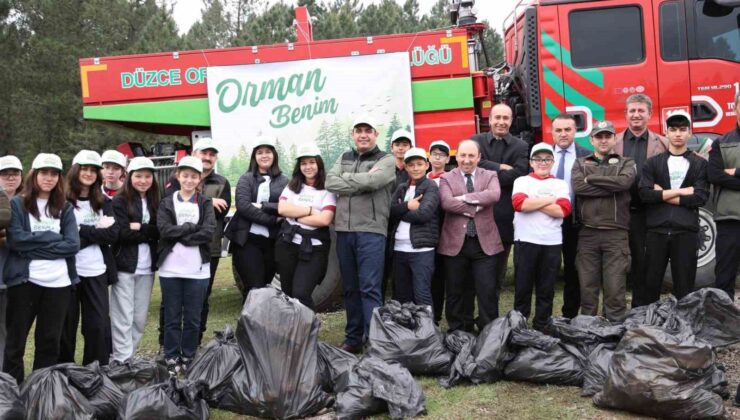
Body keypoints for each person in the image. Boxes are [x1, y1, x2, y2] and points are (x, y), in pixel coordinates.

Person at [3, 153, 79, 383]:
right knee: (15, 343)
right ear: (34, 175)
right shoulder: (18, 203)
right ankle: (10, 394)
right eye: (44, 173)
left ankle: (39, 391)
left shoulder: (64, 207)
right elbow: (16, 241)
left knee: (49, 343)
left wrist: (33, 243)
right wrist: (52, 237)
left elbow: (72, 245)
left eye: (54, 173)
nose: (49, 178)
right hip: (26, 282)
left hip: (59, 284)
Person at [326, 115, 395, 354]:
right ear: (353, 135)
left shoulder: (386, 159)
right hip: (344, 231)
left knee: (370, 288)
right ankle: (353, 338)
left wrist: (348, 180)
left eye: (368, 130)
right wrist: (360, 181)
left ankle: (375, 341)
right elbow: (330, 182)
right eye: (359, 131)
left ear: (376, 134)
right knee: (351, 289)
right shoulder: (344, 157)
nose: (363, 135)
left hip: (371, 231)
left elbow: (376, 180)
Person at [161, 137, 231, 344]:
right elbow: (170, 211)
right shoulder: (176, 179)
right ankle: (164, 344)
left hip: (208, 248)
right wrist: (210, 201)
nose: (208, 158)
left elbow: (222, 211)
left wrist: (205, 204)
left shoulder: (222, 182)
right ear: (194, 154)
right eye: (204, 153)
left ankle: (195, 341)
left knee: (201, 299)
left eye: (212, 154)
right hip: (173, 250)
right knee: (170, 301)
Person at [637, 111, 708, 305]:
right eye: (673, 129)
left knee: (685, 289)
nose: (678, 134)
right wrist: (684, 191)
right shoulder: (652, 163)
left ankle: (683, 327)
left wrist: (663, 194)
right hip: (656, 231)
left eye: (683, 130)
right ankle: (650, 328)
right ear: (666, 132)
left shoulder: (699, 164)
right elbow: (645, 194)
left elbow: (700, 197)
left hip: (686, 232)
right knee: (650, 286)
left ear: (689, 133)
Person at [572, 121, 636, 322]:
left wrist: (591, 179)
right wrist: (611, 185)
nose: (603, 140)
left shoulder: (627, 162)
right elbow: (578, 188)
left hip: (616, 234)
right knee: (587, 289)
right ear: (591, 140)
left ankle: (615, 333)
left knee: (615, 288)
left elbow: (624, 183)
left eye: (607, 136)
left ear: (615, 138)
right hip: (588, 234)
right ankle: (588, 334)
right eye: (599, 136)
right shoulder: (580, 163)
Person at [157, 156, 216, 374]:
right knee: (172, 315)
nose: (189, 180)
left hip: (197, 270)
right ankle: (172, 355)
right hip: (170, 269)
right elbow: (164, 230)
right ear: (178, 176)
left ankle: (189, 355)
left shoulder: (205, 202)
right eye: (185, 175)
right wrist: (192, 228)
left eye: (194, 176)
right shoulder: (167, 202)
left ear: (199, 178)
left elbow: (208, 231)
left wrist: (182, 234)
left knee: (192, 317)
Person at [59, 151, 118, 366]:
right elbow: (63, 239)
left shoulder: (103, 202)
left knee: (98, 325)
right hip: (68, 273)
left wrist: (81, 229)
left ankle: (95, 371)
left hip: (96, 271)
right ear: (75, 171)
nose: (89, 173)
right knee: (66, 326)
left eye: (93, 170)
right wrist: (95, 231)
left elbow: (112, 234)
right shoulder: (62, 202)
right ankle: (65, 371)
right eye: (84, 169)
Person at [438, 139, 502, 332]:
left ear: (479, 157)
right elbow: (447, 203)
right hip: (455, 244)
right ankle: (459, 330)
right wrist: (477, 206)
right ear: (456, 157)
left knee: (487, 291)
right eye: (463, 155)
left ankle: (488, 331)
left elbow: (494, 195)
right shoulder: (446, 178)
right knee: (456, 291)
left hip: (485, 244)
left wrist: (464, 199)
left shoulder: (490, 175)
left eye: (471, 155)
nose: (467, 160)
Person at [613, 94, 669, 301]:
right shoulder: (613, 143)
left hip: (652, 212)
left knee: (647, 261)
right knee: (619, 262)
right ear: (626, 114)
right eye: (632, 111)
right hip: (622, 211)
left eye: (641, 111)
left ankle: (643, 306)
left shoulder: (663, 143)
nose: (636, 115)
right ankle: (617, 309)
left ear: (649, 114)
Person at [512, 143, 571, 330]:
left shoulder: (560, 184)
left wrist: (533, 202)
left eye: (547, 159)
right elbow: (519, 204)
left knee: (546, 288)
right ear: (531, 162)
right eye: (538, 159)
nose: (542, 163)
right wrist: (550, 200)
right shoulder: (521, 181)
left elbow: (563, 210)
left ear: (552, 161)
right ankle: (519, 326)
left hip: (551, 242)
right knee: (523, 288)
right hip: (525, 240)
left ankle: (541, 325)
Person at [470, 103, 528, 289]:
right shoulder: (475, 141)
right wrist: (500, 167)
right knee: (478, 268)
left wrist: (485, 170)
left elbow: (518, 175)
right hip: (478, 215)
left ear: (511, 121)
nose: (501, 122)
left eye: (505, 118)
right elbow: (471, 167)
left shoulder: (521, 146)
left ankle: (492, 311)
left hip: (504, 215)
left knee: (498, 270)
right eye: (497, 118)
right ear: (490, 119)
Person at [110, 157, 160, 363]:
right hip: (125, 265)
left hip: (147, 267)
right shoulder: (119, 201)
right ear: (130, 177)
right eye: (138, 176)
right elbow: (121, 233)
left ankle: (129, 356)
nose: (143, 180)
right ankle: (121, 360)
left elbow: (160, 230)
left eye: (147, 176)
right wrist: (148, 231)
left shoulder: (156, 200)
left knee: (139, 317)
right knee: (123, 316)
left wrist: (140, 227)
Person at [225, 137, 288, 301]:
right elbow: (244, 206)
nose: (264, 155)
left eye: (268, 152)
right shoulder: (246, 179)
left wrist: (263, 206)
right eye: (260, 152)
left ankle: (261, 324)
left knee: (265, 286)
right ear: (254, 157)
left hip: (273, 242)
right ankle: (251, 325)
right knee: (254, 287)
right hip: (247, 241)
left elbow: (286, 206)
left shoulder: (284, 181)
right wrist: (273, 219)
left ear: (274, 155)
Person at [275, 143, 336, 309]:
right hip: (288, 245)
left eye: (311, 162)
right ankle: (293, 331)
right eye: (303, 163)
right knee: (287, 293)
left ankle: (309, 330)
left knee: (301, 293)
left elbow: (324, 220)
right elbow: (282, 209)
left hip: (314, 249)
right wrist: (310, 210)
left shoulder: (327, 189)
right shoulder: (292, 186)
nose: (307, 167)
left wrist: (295, 216)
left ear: (319, 163)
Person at [550, 114, 590, 318]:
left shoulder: (587, 156)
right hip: (548, 222)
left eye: (567, 130)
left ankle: (570, 314)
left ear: (575, 131)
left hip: (575, 222)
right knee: (548, 270)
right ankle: (544, 317)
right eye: (558, 130)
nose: (563, 134)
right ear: (552, 133)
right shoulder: (542, 155)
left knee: (574, 271)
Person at [389, 147, 439, 307]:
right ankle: (406, 331)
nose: (415, 168)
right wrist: (408, 206)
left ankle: (427, 331)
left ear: (426, 165)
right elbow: (389, 212)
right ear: (406, 167)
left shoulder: (431, 187)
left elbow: (424, 214)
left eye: (419, 164)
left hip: (421, 250)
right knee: (402, 295)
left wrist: (401, 209)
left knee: (421, 293)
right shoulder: (401, 188)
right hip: (399, 249)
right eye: (411, 165)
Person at [708, 91, 740, 300]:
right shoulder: (721, 142)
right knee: (724, 276)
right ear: (735, 108)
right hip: (730, 218)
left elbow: (725, 175)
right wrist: (724, 174)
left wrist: (735, 172)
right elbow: (714, 175)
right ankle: (722, 324)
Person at [0, 155, 23, 370]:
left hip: (17, 277)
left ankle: (7, 380)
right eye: (5, 173)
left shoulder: (26, 201)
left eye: (14, 173)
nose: (10, 177)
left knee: (12, 332)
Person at [427, 140, 451, 323]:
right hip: (424, 235)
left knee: (439, 278)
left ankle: (436, 316)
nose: (437, 158)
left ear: (447, 158)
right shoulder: (421, 177)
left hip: (444, 233)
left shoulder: (449, 179)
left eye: (441, 154)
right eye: (434, 153)